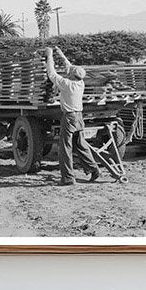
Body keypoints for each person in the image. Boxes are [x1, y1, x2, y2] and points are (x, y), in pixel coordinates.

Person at [45, 45, 99, 185]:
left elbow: (52, 74)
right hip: (79, 117)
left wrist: (50, 55)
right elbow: (69, 67)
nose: (68, 72)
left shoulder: (66, 84)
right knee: (80, 144)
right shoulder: (80, 83)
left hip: (69, 118)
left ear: (72, 75)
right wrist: (60, 54)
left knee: (65, 148)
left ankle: (68, 178)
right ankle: (93, 169)